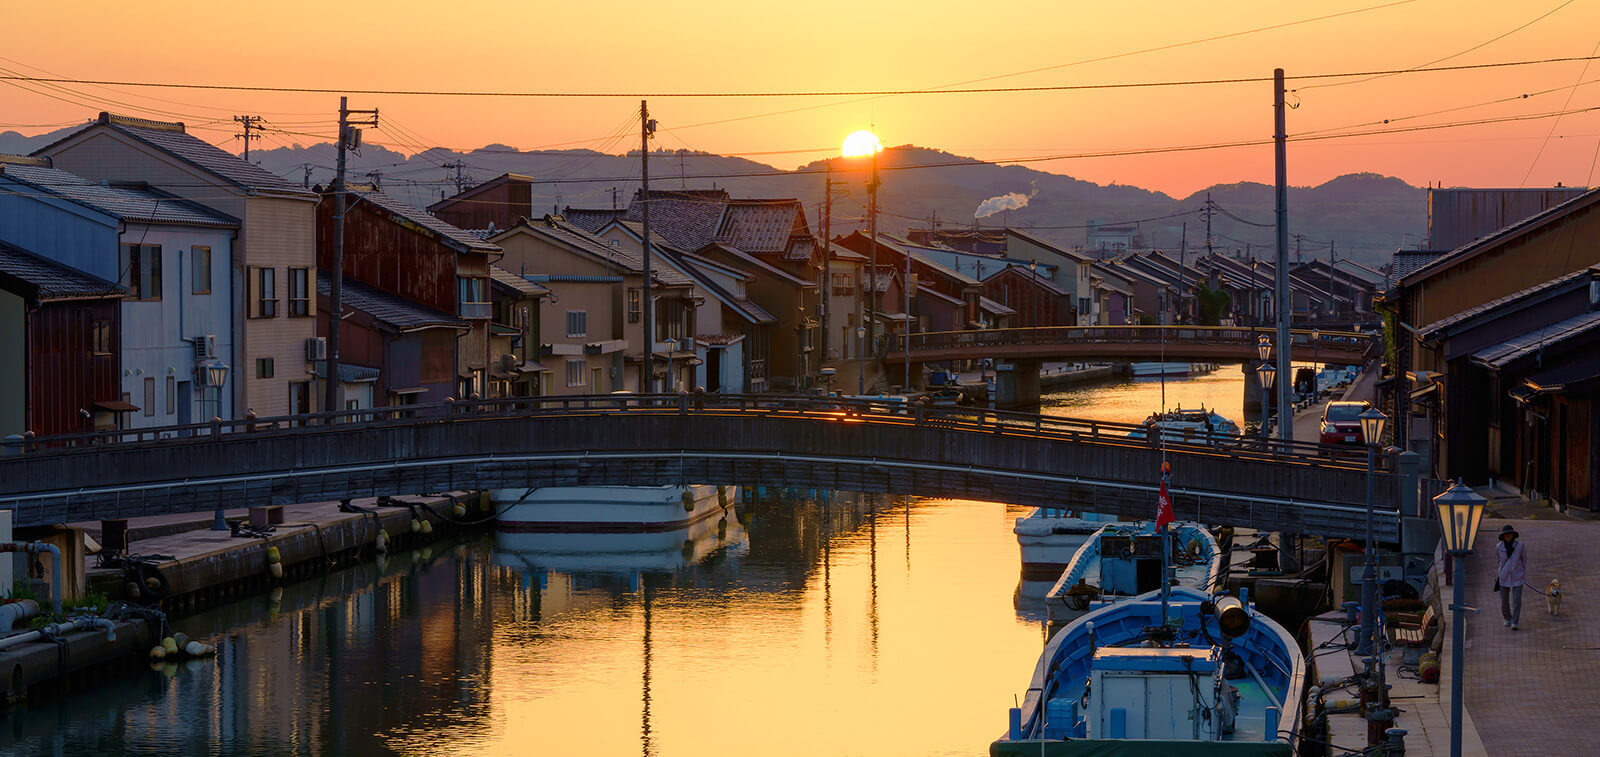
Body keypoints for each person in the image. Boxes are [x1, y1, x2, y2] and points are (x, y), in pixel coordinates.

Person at [1496, 524, 1528, 630]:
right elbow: (1499, 561)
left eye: (1510, 534)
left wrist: (1522, 572)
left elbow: (1524, 560)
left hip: (1517, 576)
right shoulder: (1499, 547)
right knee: (1504, 600)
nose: (1508, 536)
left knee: (1517, 600)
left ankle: (1515, 621)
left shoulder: (1520, 546)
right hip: (1504, 576)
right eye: (1506, 534)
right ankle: (1507, 618)